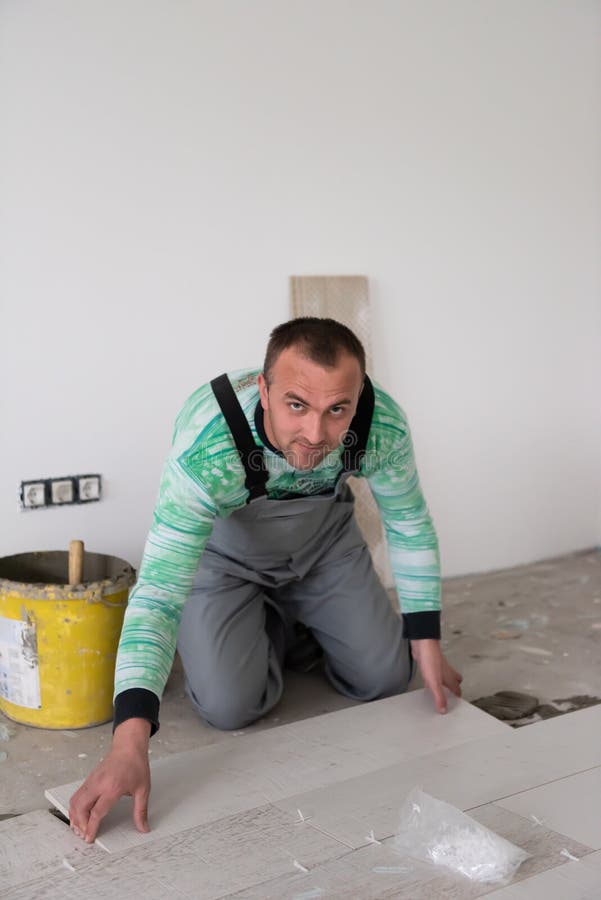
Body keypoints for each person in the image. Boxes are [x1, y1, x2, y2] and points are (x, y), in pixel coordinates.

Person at [69, 317, 462, 842]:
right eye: (297, 405)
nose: (316, 434)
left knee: (386, 677)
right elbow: (160, 591)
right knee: (230, 707)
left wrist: (426, 640)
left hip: (324, 549)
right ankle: (262, 621)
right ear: (264, 389)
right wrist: (128, 743)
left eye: (336, 410)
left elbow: (409, 523)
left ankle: (286, 624)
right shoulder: (208, 442)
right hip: (225, 560)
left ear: (358, 395)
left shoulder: (381, 424)